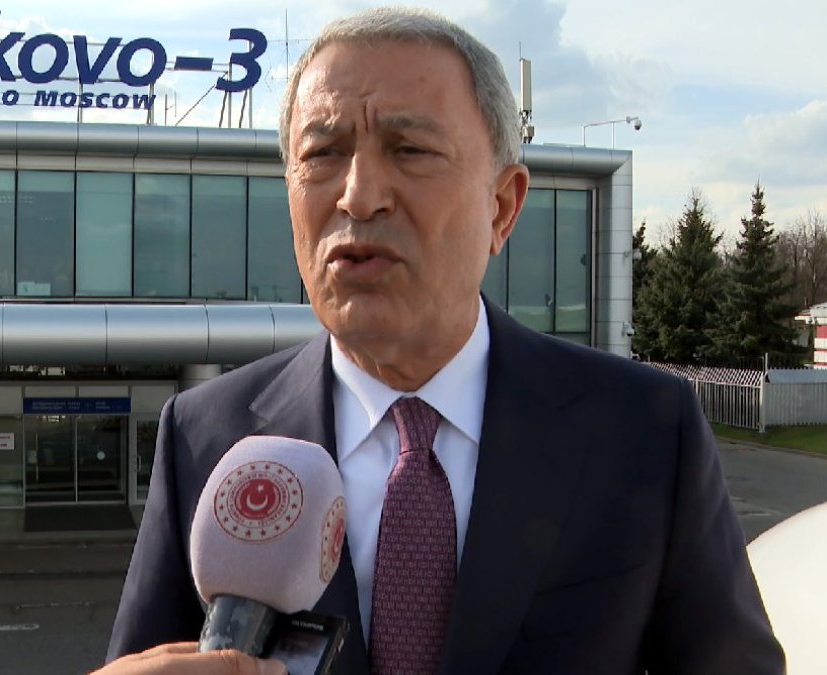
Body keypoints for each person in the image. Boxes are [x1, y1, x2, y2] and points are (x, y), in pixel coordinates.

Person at [101, 6, 783, 675]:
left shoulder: (644, 432)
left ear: (502, 206)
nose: (358, 195)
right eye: (323, 153)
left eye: (410, 150)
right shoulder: (205, 438)